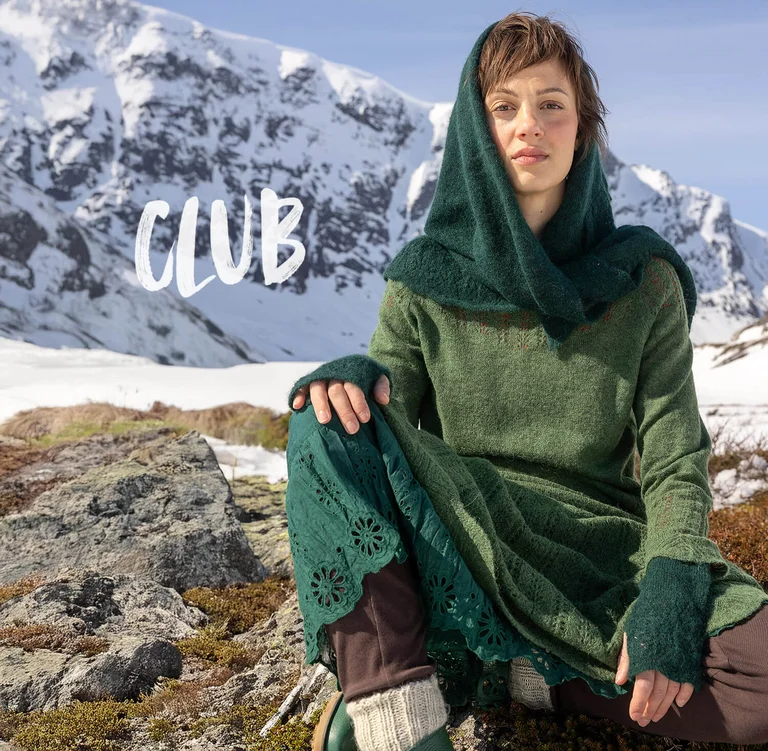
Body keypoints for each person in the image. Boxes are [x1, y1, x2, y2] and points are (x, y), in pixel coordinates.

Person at [285, 12, 768, 751]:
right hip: (468, 533)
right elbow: (385, 416)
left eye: (552, 105)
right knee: (324, 418)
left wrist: (671, 583)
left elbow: (675, 456)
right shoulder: (424, 280)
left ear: (583, 129)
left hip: (597, 549)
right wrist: (352, 377)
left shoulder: (644, 280)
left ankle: (524, 671)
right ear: (479, 133)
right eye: (504, 107)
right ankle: (400, 715)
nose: (528, 126)